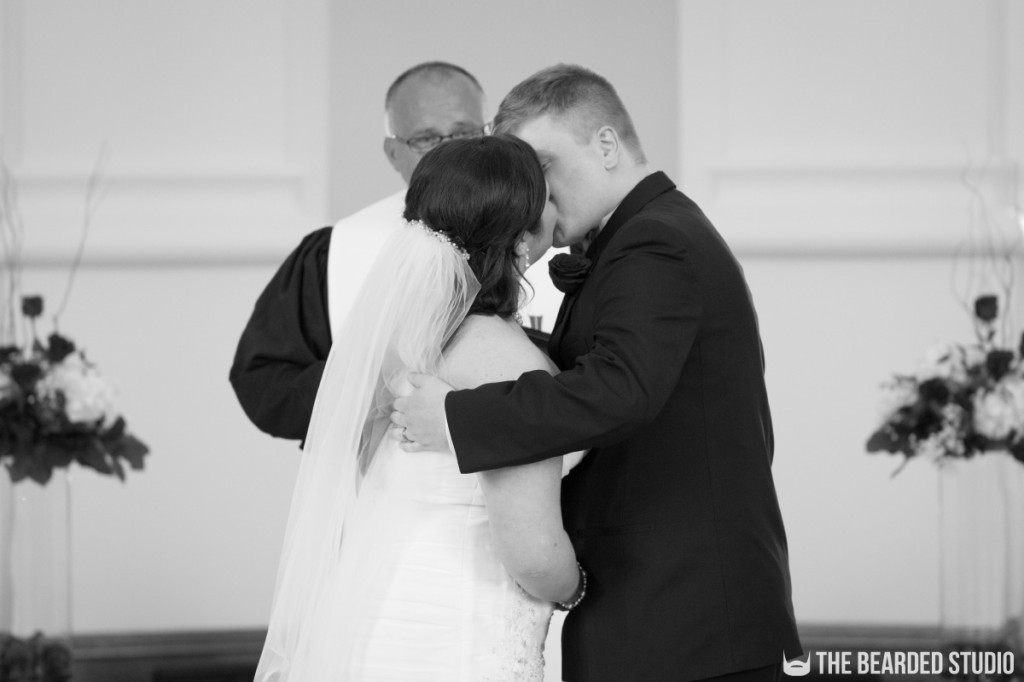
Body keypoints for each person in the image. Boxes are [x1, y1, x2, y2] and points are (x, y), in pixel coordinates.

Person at [392, 64, 803, 682]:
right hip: (666, 611)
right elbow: (603, 371)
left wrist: (453, 417)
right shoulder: (642, 236)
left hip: (687, 618)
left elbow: (621, 390)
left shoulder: (655, 242)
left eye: (545, 167)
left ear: (606, 144)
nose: (538, 197)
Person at [255, 135, 584, 681]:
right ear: (521, 238)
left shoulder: (402, 336)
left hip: (378, 608)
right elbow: (533, 555)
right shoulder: (506, 365)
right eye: (545, 197)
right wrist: (580, 588)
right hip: (456, 634)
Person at [229, 61, 495, 442]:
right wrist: (373, 386)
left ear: (491, 135)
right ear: (392, 153)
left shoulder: (549, 236)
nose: (448, 154)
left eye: (464, 133)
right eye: (426, 139)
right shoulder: (338, 251)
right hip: (383, 489)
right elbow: (265, 382)